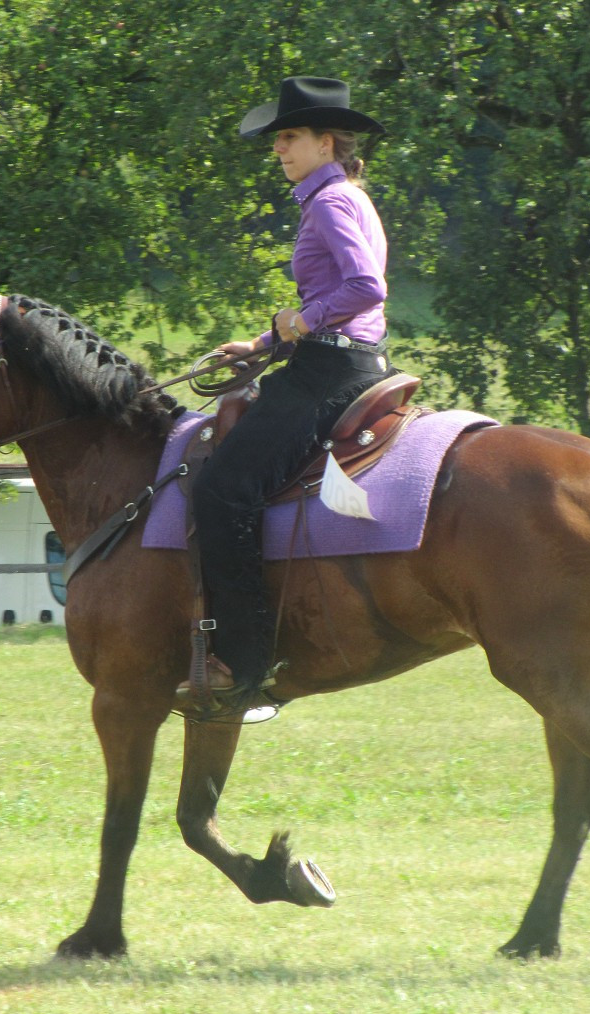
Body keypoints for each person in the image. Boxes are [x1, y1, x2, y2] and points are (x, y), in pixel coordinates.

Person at [176, 76, 394, 715]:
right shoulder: (346, 196)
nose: (280, 149)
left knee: (221, 489)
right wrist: (262, 344)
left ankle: (243, 666)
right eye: (277, 140)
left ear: (327, 141)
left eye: (291, 137)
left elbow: (364, 289)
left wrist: (295, 325)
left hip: (330, 372)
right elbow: (337, 303)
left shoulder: (329, 203)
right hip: (335, 361)